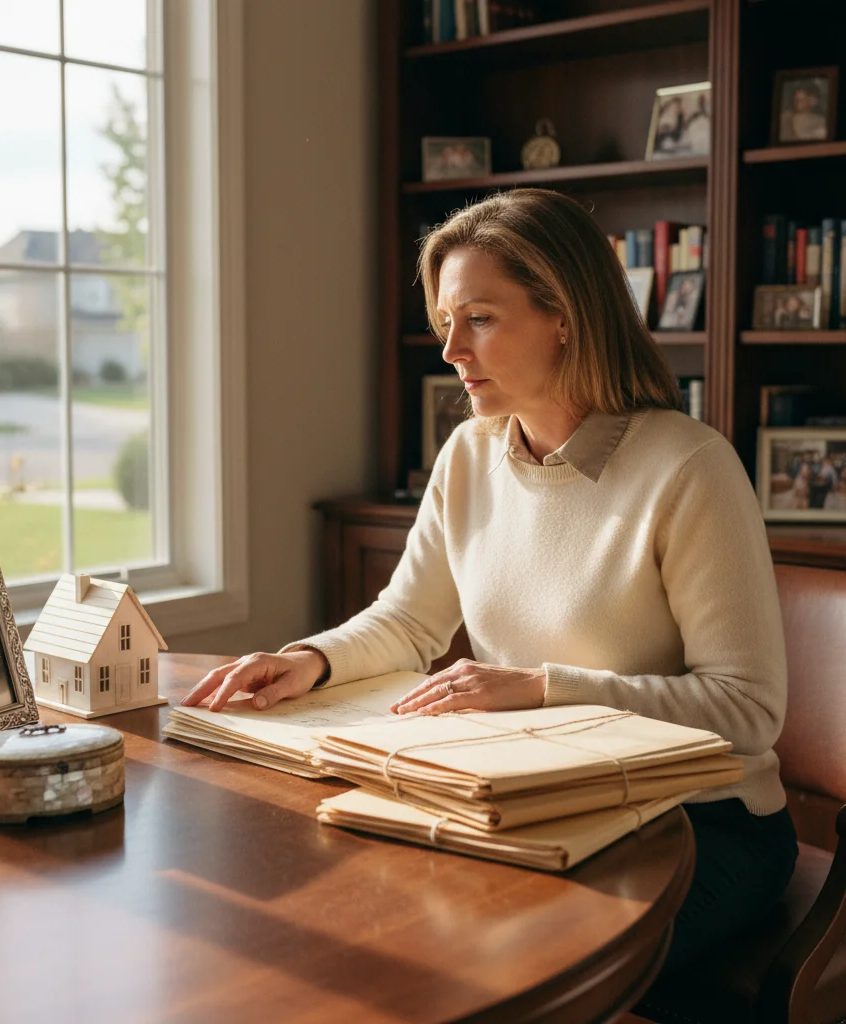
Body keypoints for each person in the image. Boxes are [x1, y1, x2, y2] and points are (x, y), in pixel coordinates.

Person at [181, 189, 797, 1005]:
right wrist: (310, 661)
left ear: (566, 316)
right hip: (537, 799)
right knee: (370, 931)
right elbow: (407, 621)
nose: (450, 350)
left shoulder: (690, 469)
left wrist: (542, 688)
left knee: (487, 971)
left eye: (480, 318)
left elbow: (749, 710)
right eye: (445, 321)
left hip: (699, 824)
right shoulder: (469, 456)